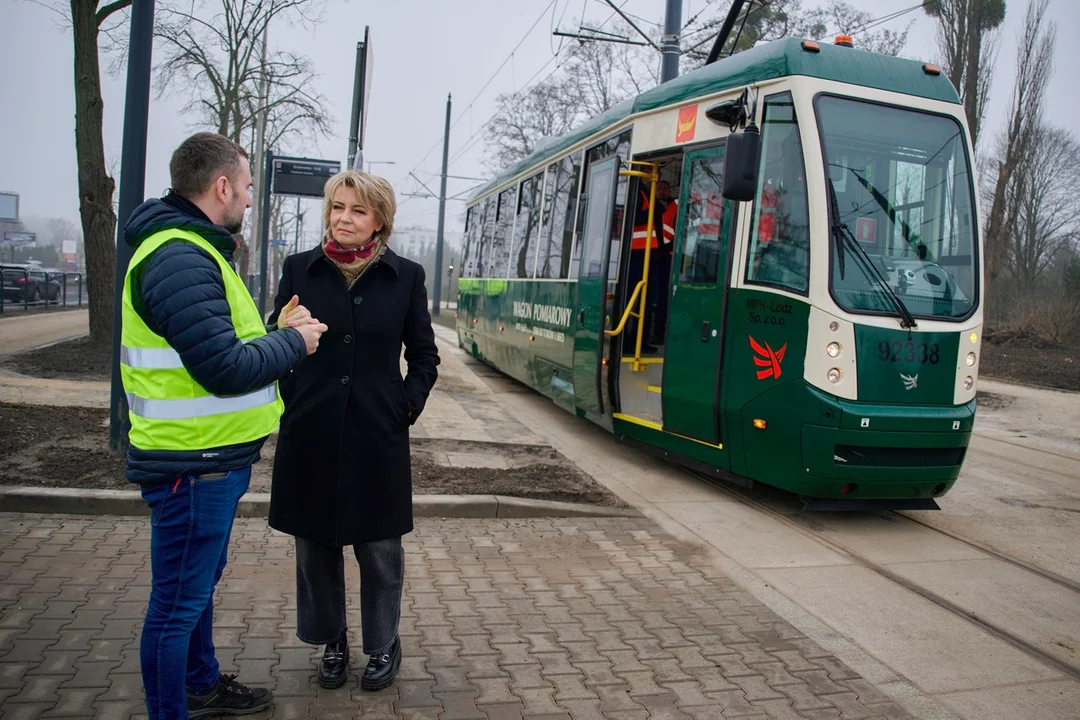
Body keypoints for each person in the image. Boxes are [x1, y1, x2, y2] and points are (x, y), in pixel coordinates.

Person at [122, 131, 327, 719]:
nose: (248, 197)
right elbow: (221, 367)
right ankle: (173, 708)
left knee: (195, 591)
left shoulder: (194, 248)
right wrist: (294, 342)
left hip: (209, 459)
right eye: (245, 186)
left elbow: (215, 343)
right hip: (194, 464)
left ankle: (200, 683)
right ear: (221, 186)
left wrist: (269, 327)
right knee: (177, 606)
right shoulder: (180, 256)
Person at [268, 170, 440, 692]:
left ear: (379, 221)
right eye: (338, 207)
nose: (344, 218)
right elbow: (277, 340)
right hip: (311, 431)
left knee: (379, 548)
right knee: (315, 545)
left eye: (357, 210)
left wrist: (403, 408)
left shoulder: (405, 276)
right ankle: (332, 640)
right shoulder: (299, 269)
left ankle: (383, 643)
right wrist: (293, 398)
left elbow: (425, 356)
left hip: (376, 433)